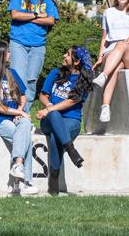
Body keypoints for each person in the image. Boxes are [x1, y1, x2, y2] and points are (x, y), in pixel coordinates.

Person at [0, 41, 39, 195]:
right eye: (7, 51)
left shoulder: (12, 73)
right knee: (24, 137)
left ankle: (18, 168)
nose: (10, 54)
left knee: (25, 125)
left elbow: (23, 96)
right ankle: (25, 183)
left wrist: (20, 110)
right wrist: (18, 113)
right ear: (0, 55)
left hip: (16, 116)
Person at [37, 46, 93, 196]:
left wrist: (49, 109)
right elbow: (43, 95)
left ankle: (53, 181)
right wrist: (49, 107)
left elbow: (71, 102)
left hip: (72, 121)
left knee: (56, 135)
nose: (64, 56)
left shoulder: (83, 80)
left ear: (76, 62)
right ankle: (71, 150)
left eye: (67, 55)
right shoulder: (56, 73)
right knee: (55, 115)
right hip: (49, 120)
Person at [8, 0, 59, 111]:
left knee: (31, 80)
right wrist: (37, 14)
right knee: (18, 78)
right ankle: (15, 111)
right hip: (18, 43)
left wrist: (28, 17)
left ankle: (25, 113)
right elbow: (15, 15)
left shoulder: (47, 0)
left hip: (38, 46)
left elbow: (50, 20)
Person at [92, 0, 129, 123]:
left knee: (121, 44)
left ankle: (103, 75)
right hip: (112, 51)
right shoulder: (108, 13)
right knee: (116, 66)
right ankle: (105, 107)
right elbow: (104, 38)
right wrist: (100, 56)